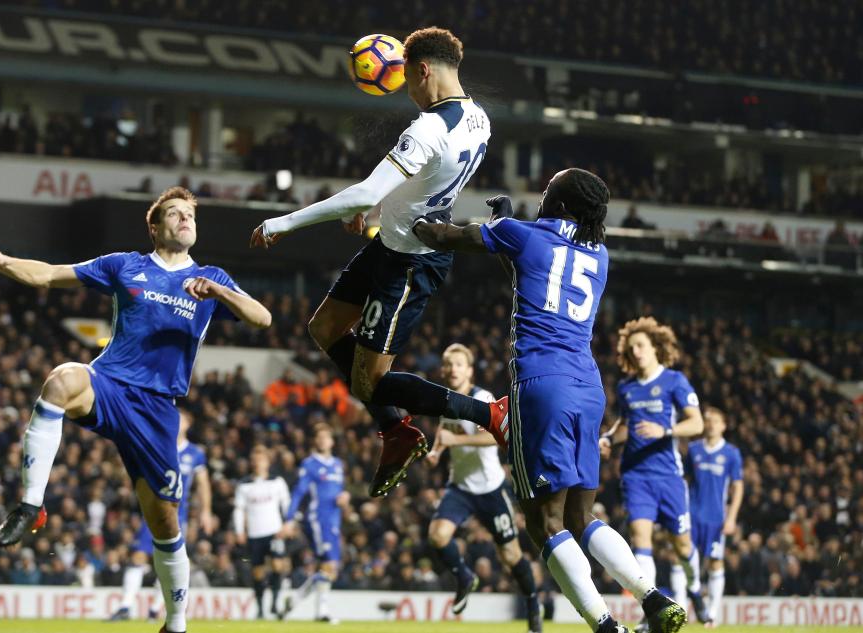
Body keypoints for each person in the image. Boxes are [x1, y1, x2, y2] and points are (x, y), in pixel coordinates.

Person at [0, 186, 271, 633]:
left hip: (157, 410)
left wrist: (221, 295)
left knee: (164, 524)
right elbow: (50, 275)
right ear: (154, 226)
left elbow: (261, 318)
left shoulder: (212, 276)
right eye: (174, 213)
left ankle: (177, 623)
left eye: (190, 215)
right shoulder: (125, 265)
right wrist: (3, 262)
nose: (185, 220)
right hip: (109, 385)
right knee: (62, 379)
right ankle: (30, 505)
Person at [414, 168, 687, 633]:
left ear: (558, 204)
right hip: (587, 387)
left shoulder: (521, 234)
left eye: (546, 193)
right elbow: (532, 273)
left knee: (544, 524)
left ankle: (604, 626)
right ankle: (654, 598)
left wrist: (411, 214)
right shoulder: (599, 254)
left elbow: (443, 235)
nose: (540, 198)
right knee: (583, 515)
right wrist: (508, 229)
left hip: (541, 387)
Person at [250, 27, 506, 497]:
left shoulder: (428, 127)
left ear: (423, 70)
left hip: (409, 265)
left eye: (408, 80)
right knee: (324, 328)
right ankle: (397, 431)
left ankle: (488, 413)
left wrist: (283, 222)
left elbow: (369, 187)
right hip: (390, 243)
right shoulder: (479, 119)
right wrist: (374, 211)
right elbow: (426, 184)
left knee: (370, 384)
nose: (407, 91)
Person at [600, 316, 709, 627]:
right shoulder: (626, 388)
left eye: (641, 345)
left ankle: (696, 590)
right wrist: (608, 438)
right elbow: (626, 426)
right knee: (640, 540)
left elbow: (697, 423)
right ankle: (651, 612)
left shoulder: (674, 381)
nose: (636, 352)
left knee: (682, 545)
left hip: (669, 478)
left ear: (655, 348)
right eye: (631, 347)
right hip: (636, 475)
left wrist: (665, 430)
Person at [425, 343, 541, 632]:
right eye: (448, 364)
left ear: (470, 370)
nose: (452, 369)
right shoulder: (445, 399)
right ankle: (464, 576)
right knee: (437, 536)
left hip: (490, 489)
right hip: (461, 488)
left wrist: (456, 442)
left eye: (458, 364)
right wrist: (436, 451)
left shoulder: (482, 399)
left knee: (510, 556)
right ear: (443, 369)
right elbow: (445, 429)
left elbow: (496, 437)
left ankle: (532, 604)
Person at [110, 410, 212, 622]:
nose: (176, 420)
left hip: (177, 515)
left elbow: (203, 484)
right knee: (138, 556)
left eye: (182, 418)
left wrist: (206, 512)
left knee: (165, 561)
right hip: (150, 510)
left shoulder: (195, 453)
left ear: (188, 425)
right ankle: (125, 607)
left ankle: (155, 609)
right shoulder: (156, 444)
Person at [279, 423, 348, 623]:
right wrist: (289, 519)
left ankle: (294, 600)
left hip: (334, 520)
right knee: (329, 564)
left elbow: (338, 491)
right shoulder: (310, 464)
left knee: (328, 569)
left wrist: (344, 497)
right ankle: (322, 612)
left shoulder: (337, 465)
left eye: (326, 437)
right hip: (319, 519)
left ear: (332, 441)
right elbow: (299, 492)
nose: (322, 440)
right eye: (319, 438)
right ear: (315, 442)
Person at [686, 408, 743, 628]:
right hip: (692, 516)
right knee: (684, 558)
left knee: (715, 562)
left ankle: (712, 613)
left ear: (723, 425)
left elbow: (738, 487)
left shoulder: (731, 453)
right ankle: (683, 604)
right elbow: (685, 481)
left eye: (715, 421)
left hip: (716, 518)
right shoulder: (693, 449)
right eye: (707, 420)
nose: (710, 425)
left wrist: (731, 518)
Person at [233, 445, 291, 620]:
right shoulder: (244, 485)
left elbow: (287, 504)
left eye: (261, 459)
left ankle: (274, 603)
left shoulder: (277, 481)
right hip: (255, 533)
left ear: (267, 462)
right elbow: (239, 509)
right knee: (257, 572)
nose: (258, 463)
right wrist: (239, 531)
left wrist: (288, 524)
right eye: (255, 460)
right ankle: (260, 609)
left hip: (274, 531)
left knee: (277, 565)